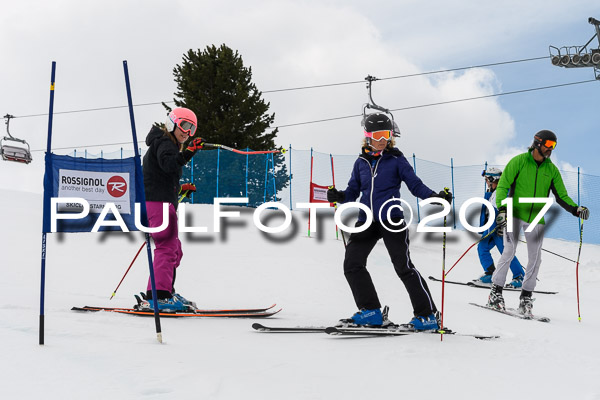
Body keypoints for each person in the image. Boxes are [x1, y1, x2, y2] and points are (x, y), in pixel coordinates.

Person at [326, 113, 453, 331]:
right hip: (366, 220)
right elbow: (353, 192)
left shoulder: (396, 160)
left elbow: (415, 185)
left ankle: (427, 316)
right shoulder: (360, 163)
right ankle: (371, 312)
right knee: (352, 264)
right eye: (377, 135)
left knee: (403, 266)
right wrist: (339, 196)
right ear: (367, 136)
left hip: (391, 218)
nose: (382, 139)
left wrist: (435, 197)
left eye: (386, 134)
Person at [488, 130, 589, 317]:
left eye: (554, 145)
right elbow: (502, 186)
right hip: (514, 213)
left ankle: (526, 297)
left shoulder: (551, 170)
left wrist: (576, 209)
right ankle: (495, 293)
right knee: (509, 251)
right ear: (537, 143)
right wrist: (502, 208)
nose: (551, 149)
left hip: (536, 217)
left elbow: (561, 195)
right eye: (549, 144)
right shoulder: (518, 162)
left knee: (535, 258)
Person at [136, 107, 205, 312]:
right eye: (184, 126)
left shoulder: (167, 144)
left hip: (159, 201)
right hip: (157, 203)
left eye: (192, 129)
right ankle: (159, 296)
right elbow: (168, 164)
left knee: (174, 249)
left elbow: (162, 175)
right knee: (167, 247)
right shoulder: (164, 142)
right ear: (172, 123)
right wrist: (189, 153)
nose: (187, 132)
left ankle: (165, 291)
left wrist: (180, 189)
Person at [475, 167, 525, 287]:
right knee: (482, 247)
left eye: (487, 180)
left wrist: (492, 229)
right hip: (494, 228)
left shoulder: (503, 192)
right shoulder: (492, 193)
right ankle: (490, 273)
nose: (486, 183)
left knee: (505, 251)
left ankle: (520, 277)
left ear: (493, 179)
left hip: (501, 229)